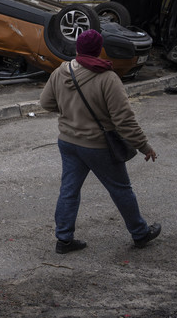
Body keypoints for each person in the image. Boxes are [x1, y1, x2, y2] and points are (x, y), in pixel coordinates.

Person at [39, 29, 160, 254]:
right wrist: (144, 145)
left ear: (78, 49)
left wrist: (68, 110)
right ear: (99, 50)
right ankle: (140, 233)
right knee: (121, 189)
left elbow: (46, 102)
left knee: (69, 190)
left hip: (68, 142)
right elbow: (124, 119)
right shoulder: (107, 77)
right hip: (98, 146)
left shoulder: (61, 71)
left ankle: (64, 239)